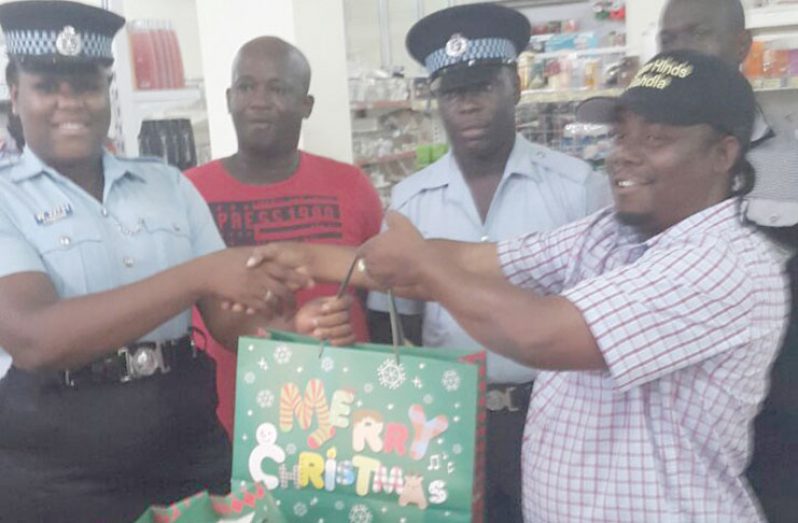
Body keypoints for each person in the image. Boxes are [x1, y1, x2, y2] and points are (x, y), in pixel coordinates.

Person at [252, 50, 790, 522]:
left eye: (656, 139)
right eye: (622, 134)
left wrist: (426, 266)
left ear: (723, 154)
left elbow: (540, 334)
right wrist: (309, 258)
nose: (624, 153)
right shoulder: (611, 233)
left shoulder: (724, 264)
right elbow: (476, 260)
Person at [0, 2, 345, 522]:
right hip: (58, 472)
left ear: (109, 88)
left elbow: (227, 316)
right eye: (48, 85)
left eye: (88, 86)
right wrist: (196, 275)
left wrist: (287, 332)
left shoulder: (166, 185)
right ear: (14, 88)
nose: (69, 104)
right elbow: (36, 338)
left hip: (187, 452)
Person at [365, 5, 609, 520]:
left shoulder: (578, 188)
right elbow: (393, 324)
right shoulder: (410, 202)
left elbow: (603, 319)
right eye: (453, 92)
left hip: (554, 416)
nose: (469, 105)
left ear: (515, 86)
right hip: (442, 424)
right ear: (438, 102)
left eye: (484, 87)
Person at [185, 36, 383, 437]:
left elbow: (379, 300)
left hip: (348, 422)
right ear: (228, 98)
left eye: (278, 89)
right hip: (227, 422)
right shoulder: (188, 192)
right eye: (246, 87)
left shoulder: (351, 185)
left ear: (306, 105)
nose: (259, 101)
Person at [658, 1, 798, 519]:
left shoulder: (791, 161)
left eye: (697, 34)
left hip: (778, 419)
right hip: (681, 415)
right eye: (668, 41)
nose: (681, 50)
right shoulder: (642, 167)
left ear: (742, 46)